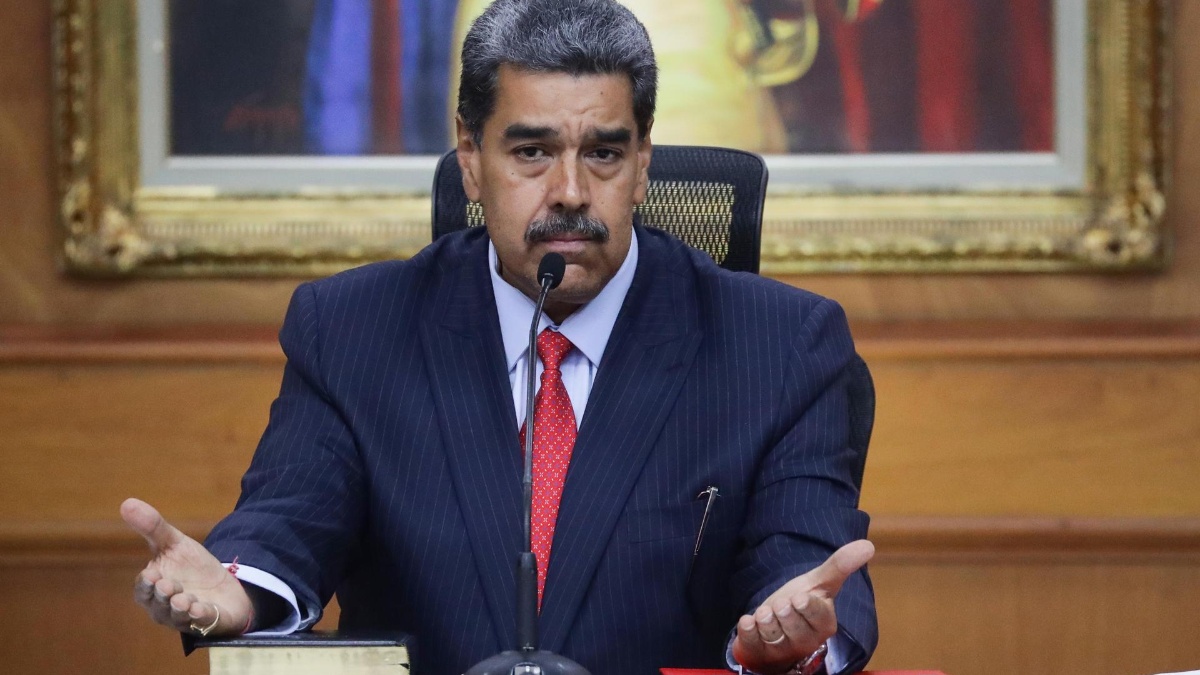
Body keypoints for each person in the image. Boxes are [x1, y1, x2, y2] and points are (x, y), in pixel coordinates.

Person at [121, 1, 878, 673]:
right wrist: (240, 588)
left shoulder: (781, 346)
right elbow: (289, 519)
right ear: (471, 161)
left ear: (643, 163)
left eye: (604, 153)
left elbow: (803, 558)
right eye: (531, 152)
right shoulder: (355, 330)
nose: (572, 191)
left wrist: (791, 640)